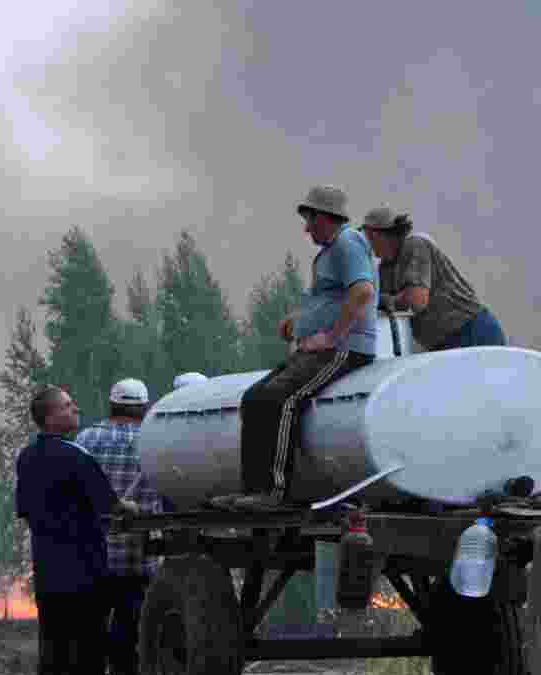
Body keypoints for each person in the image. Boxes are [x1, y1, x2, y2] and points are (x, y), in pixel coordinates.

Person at [214, 185, 379, 513]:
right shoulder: (333, 250)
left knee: (282, 397)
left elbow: (362, 292)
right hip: (319, 347)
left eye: (310, 220)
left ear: (325, 217)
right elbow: (330, 298)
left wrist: (332, 336)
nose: (306, 228)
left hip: (344, 348)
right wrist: (300, 320)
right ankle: (252, 490)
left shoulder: (348, 243)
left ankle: (273, 493)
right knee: (255, 397)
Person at [15, 385, 126, 675]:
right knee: (90, 637)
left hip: (48, 563)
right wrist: (128, 507)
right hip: (87, 562)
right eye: (67, 405)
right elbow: (110, 504)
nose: (75, 408)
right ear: (50, 417)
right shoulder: (78, 457)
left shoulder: (27, 457)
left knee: (53, 635)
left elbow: (24, 509)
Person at [75, 378, 162, 675]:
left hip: (92, 554)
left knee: (89, 631)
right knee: (130, 633)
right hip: (138, 557)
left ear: (111, 404)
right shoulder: (153, 442)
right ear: (143, 407)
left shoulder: (85, 440)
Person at [362, 206, 507, 350]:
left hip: (471, 330)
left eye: (366, 237)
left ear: (376, 235)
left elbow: (416, 300)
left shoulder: (415, 245)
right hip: (444, 340)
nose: (366, 244)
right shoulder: (386, 267)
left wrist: (385, 300)